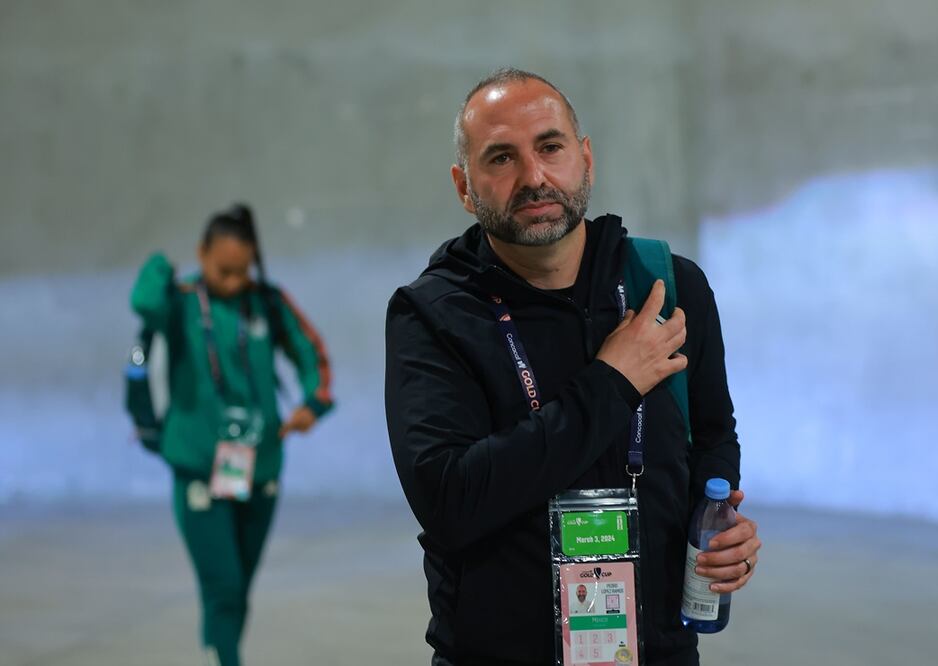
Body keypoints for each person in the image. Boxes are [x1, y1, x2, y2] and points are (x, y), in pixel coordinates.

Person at [385, 68, 760, 665]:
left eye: (550, 147)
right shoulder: (433, 315)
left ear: (584, 158)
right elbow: (450, 500)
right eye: (501, 158)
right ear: (464, 186)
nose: (533, 177)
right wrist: (613, 381)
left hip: (655, 650)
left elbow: (712, 432)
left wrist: (717, 527)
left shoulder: (667, 284)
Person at [130, 203, 333, 666]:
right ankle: (227, 657)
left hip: (259, 467)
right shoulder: (180, 303)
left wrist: (311, 403)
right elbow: (143, 303)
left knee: (239, 585)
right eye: (223, 270)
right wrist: (160, 265)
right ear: (201, 254)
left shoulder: (267, 301)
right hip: (198, 466)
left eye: (243, 271)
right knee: (222, 584)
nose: (233, 282)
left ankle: (221, 652)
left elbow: (311, 353)